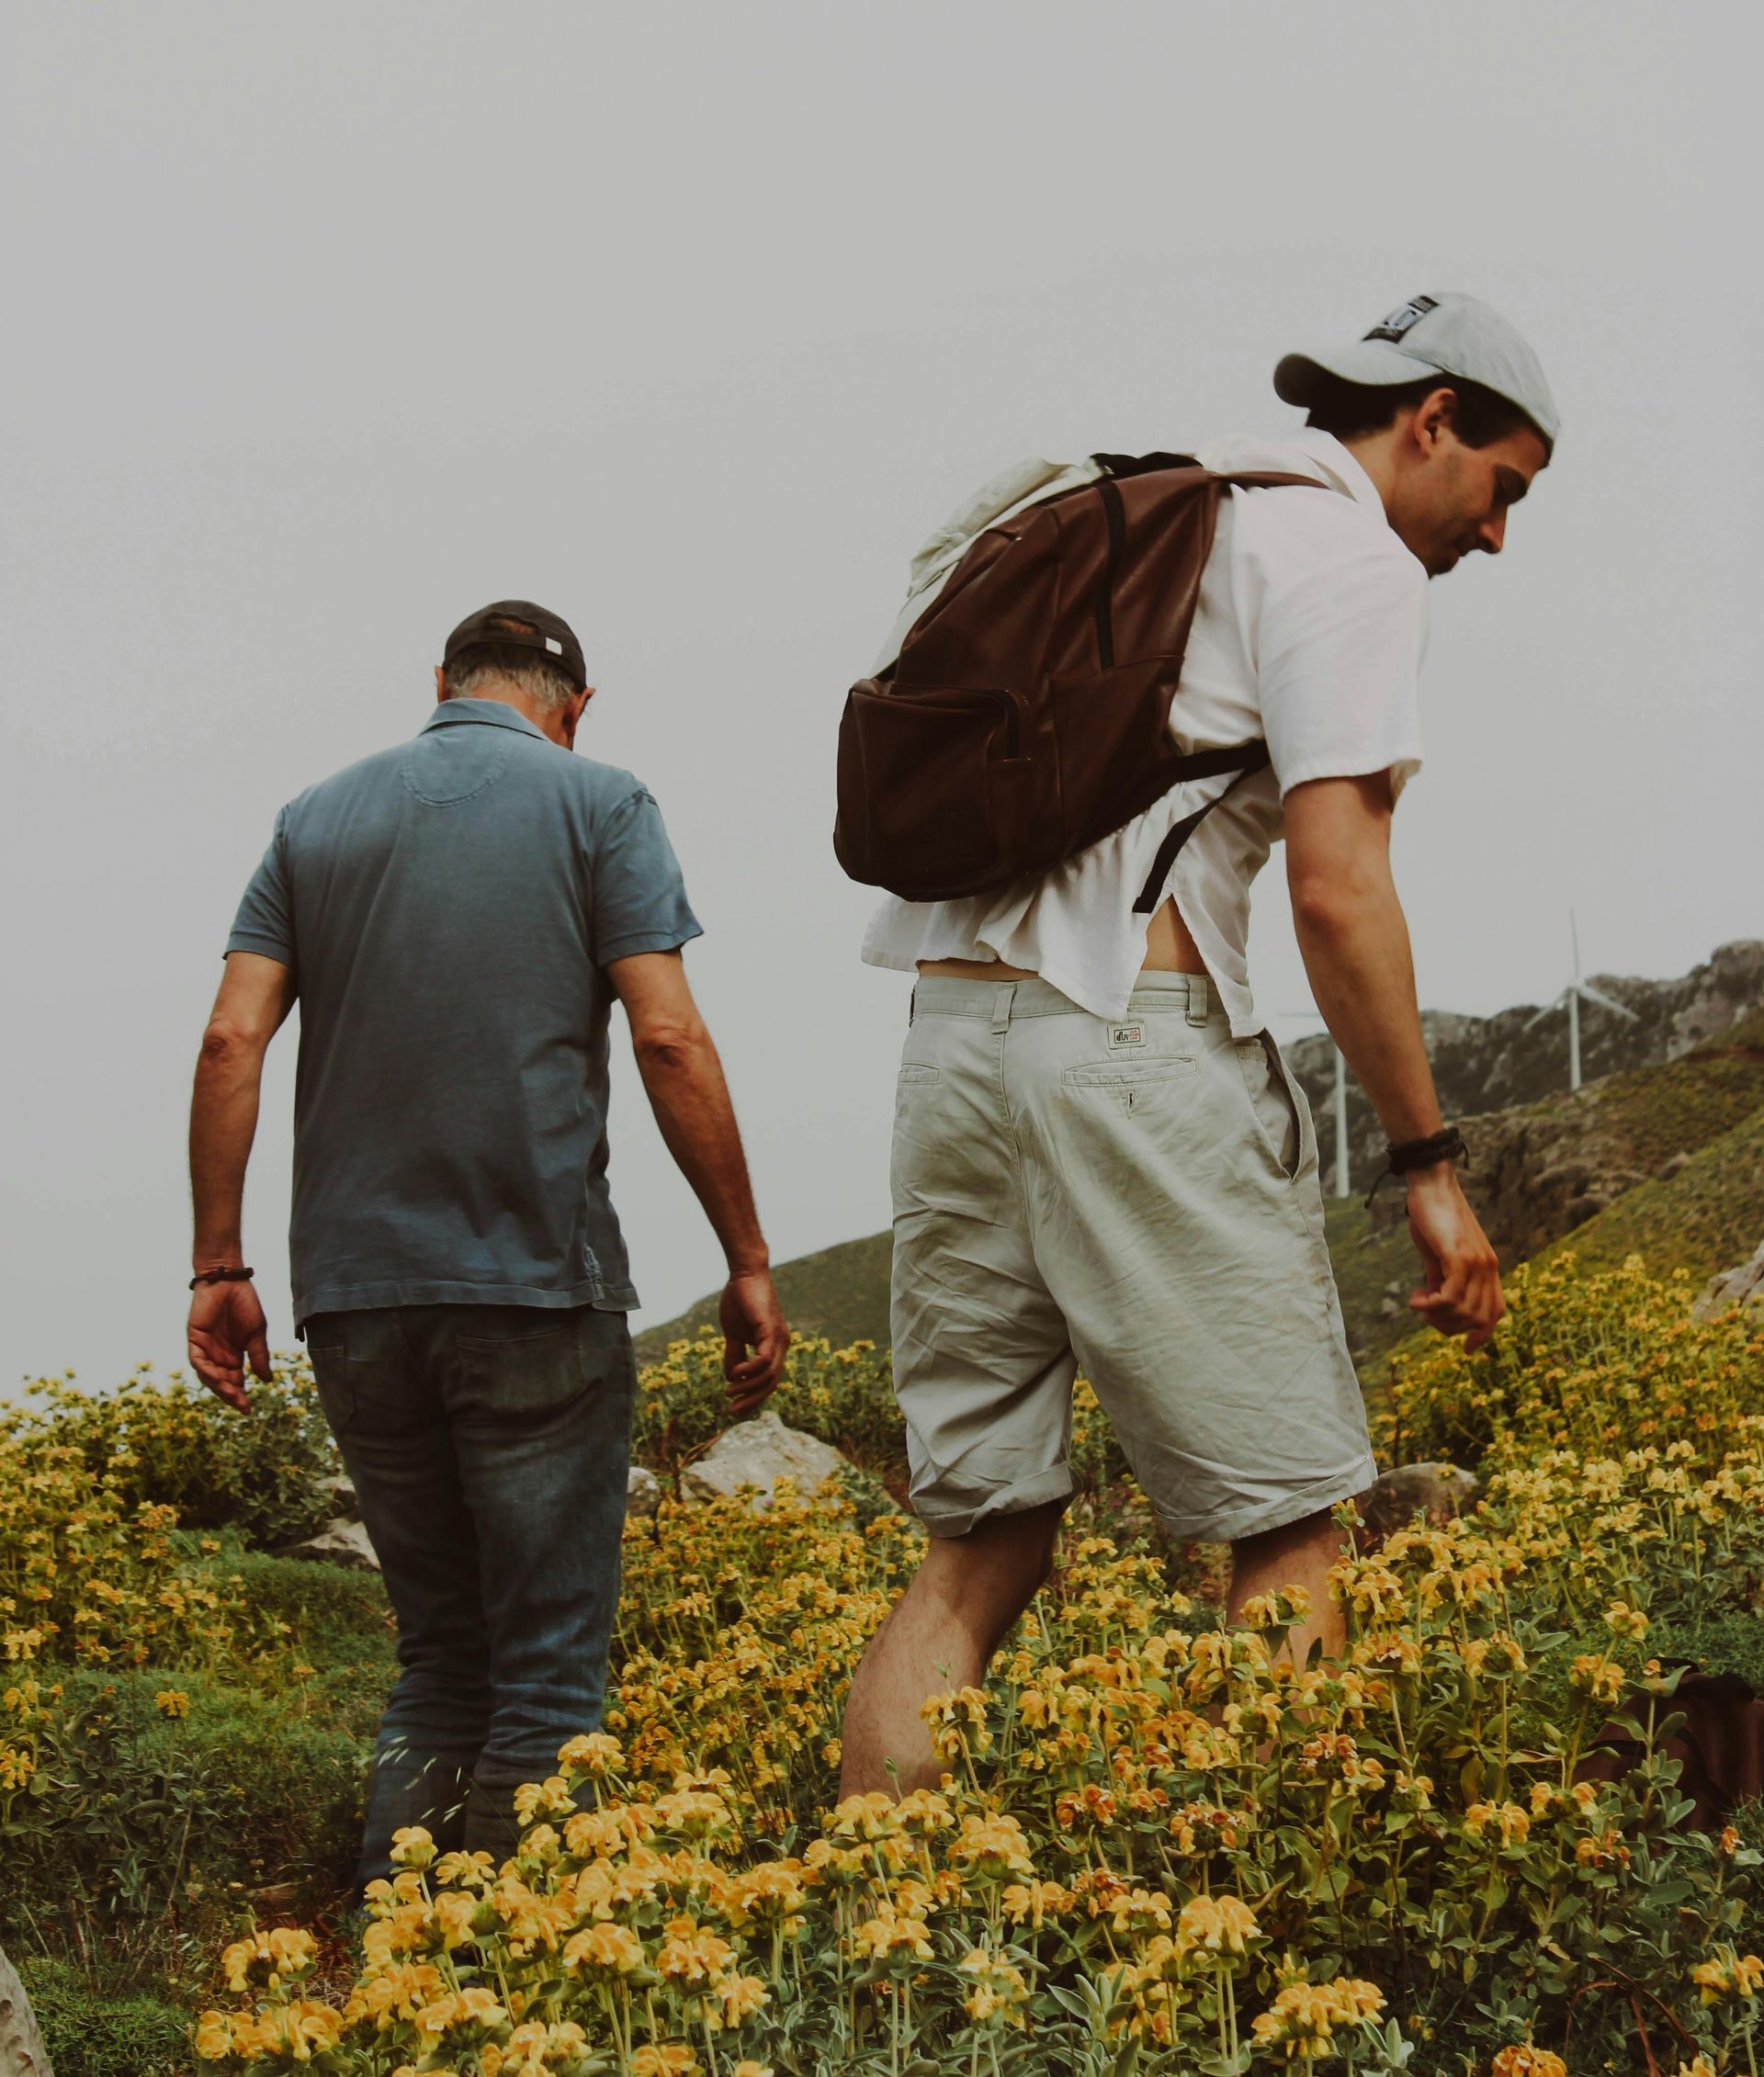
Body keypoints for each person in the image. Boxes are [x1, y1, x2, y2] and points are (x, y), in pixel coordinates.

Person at [840, 291, 1555, 1796]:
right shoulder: (1345, 556)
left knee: (977, 1547)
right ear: (1431, 419)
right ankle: (1279, 1950)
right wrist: (1429, 1161)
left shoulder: (1129, 497)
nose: (1496, 535)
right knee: (1292, 1524)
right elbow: (1336, 888)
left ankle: (861, 1935)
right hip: (1131, 1043)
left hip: (952, 1042)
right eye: (1503, 487)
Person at [185, 601, 788, 1882]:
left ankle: (390, 1943)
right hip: (531, 1288)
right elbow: (669, 1037)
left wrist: (219, 1266)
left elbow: (232, 1038)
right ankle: (509, 1982)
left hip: (353, 1299)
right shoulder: (601, 802)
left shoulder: (315, 818)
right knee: (549, 1670)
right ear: (573, 711)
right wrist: (744, 1253)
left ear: (443, 682)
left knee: (439, 1654)